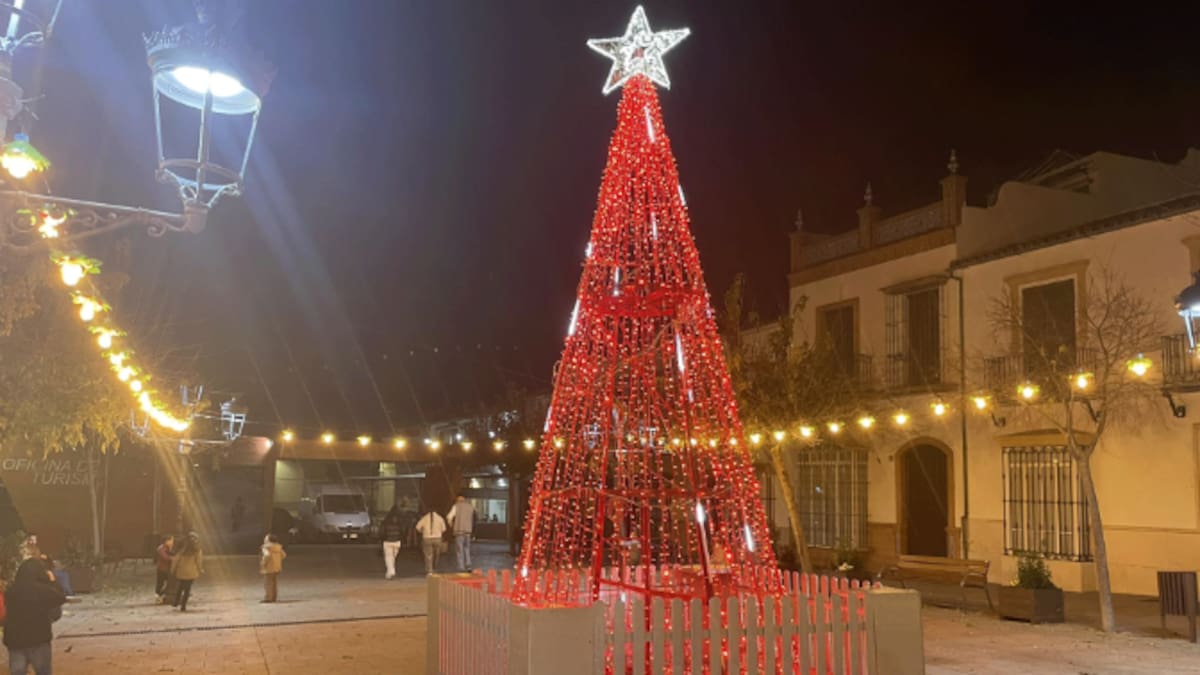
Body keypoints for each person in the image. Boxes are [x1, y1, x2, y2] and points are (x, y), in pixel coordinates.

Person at [3, 558, 66, 675]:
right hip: (39, 639)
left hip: (15, 641)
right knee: (43, 672)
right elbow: (61, 597)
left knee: (17, 671)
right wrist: (52, 581)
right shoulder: (42, 590)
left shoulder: (11, 591)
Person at [170, 533, 203, 612]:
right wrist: (200, 570)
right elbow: (198, 561)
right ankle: (183, 606)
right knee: (187, 589)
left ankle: (176, 601)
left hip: (181, 571)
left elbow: (175, 561)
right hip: (191, 572)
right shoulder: (197, 550)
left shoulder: (181, 550)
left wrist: (172, 570)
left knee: (180, 586)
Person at [414, 507, 447, 575]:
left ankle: (430, 570)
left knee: (428, 555)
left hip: (427, 538)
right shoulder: (440, 518)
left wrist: (422, 531)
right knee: (436, 554)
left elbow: (417, 527)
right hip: (437, 538)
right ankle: (434, 566)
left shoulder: (424, 518)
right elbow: (444, 529)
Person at [446, 495, 475, 571]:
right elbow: (474, 519)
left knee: (459, 550)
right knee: (467, 548)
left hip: (459, 531)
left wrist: (451, 524)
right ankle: (468, 565)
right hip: (468, 531)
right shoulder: (470, 507)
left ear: (458, 499)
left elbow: (449, 517)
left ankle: (461, 567)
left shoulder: (456, 506)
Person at [380, 506, 405, 580]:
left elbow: (381, 532)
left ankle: (391, 572)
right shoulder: (400, 521)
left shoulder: (386, 521)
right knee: (393, 557)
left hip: (387, 541)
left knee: (388, 557)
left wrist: (382, 539)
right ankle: (389, 573)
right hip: (397, 542)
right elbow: (403, 531)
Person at [260, 533, 286, 603]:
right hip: (277, 567)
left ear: (268, 540)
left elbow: (267, 555)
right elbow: (284, 555)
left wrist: (263, 562)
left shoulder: (266, 547)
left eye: (265, 538)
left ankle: (268, 598)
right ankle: (274, 597)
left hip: (269, 567)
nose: (264, 539)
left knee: (268, 583)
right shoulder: (278, 547)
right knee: (274, 583)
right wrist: (277, 559)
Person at [155, 535, 175, 603]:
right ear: (167, 541)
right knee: (160, 583)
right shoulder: (161, 548)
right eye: (171, 540)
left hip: (167, 569)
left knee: (171, 582)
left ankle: (162, 594)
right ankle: (158, 595)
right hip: (162, 569)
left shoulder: (168, 547)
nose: (172, 542)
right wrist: (173, 559)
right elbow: (165, 557)